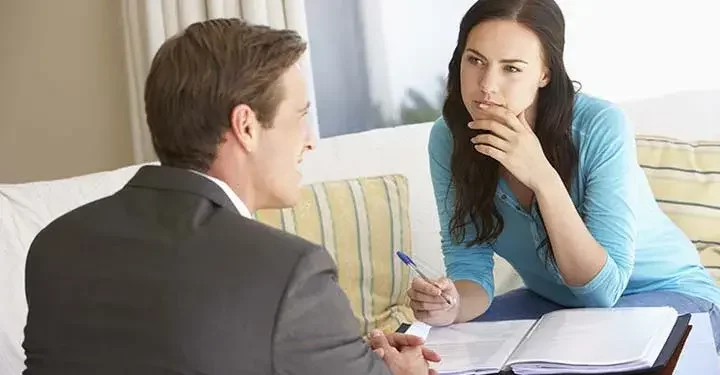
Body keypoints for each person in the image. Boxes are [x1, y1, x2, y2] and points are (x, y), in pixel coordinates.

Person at [22, 18, 439, 374]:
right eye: (300, 117)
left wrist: (335, 350)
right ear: (246, 126)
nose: (310, 142)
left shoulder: (56, 244)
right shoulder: (292, 272)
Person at [407, 0, 720, 352]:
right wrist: (451, 305)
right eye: (475, 60)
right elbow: (468, 265)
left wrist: (542, 176)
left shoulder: (599, 126)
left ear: (545, 73)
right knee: (430, 347)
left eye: (511, 68)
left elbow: (603, 292)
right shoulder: (448, 138)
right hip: (557, 305)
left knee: (591, 351)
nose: (486, 85)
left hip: (667, 295)